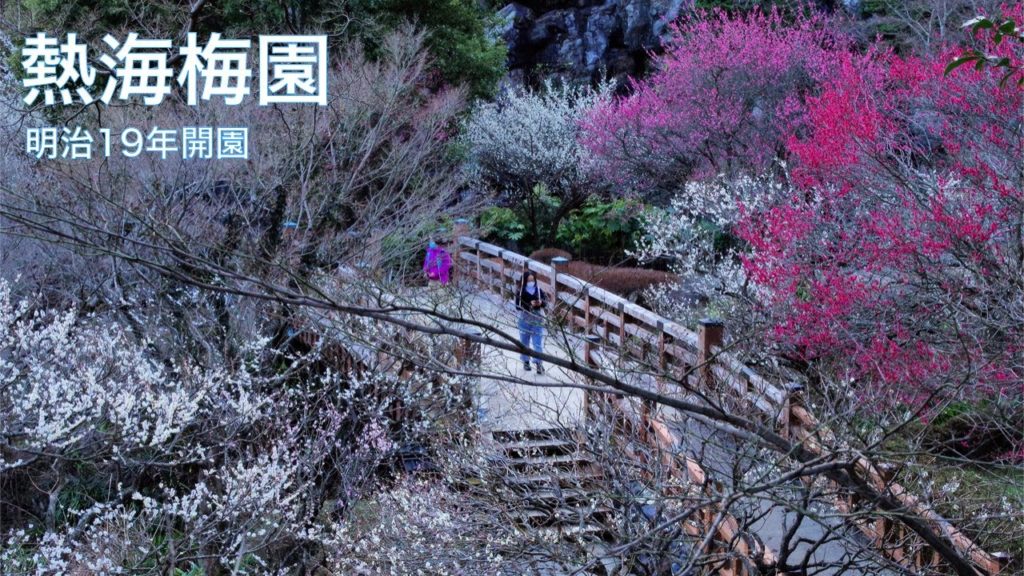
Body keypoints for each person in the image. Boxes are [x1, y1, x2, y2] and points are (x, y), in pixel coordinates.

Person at [515, 270, 546, 374]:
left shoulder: (539, 290)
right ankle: (526, 361)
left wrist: (540, 303)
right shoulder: (520, 291)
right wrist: (529, 305)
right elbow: (518, 306)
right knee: (524, 341)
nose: (531, 282)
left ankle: (539, 363)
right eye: (529, 280)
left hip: (537, 319)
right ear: (524, 281)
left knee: (537, 342)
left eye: (532, 280)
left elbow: (545, 302)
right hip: (525, 318)